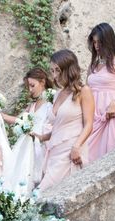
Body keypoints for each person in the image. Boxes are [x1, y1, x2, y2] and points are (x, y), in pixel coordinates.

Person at [34, 49, 94, 190]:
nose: (54, 76)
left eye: (57, 70)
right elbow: (58, 127)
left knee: (43, 192)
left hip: (71, 150)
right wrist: (42, 137)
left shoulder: (83, 91)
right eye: (52, 71)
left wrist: (76, 147)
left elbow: (89, 124)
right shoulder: (57, 94)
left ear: (68, 69)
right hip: (54, 151)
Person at [86, 22, 115, 162]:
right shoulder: (93, 65)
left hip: (111, 113)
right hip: (93, 115)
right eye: (94, 42)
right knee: (89, 157)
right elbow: (86, 90)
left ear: (108, 40)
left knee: (112, 156)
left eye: (99, 42)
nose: (96, 46)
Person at [2, 67, 54, 191]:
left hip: (43, 145)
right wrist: (0, 115)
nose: (30, 90)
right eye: (28, 87)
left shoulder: (51, 103)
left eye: (32, 85)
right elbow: (19, 120)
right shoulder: (32, 105)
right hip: (29, 147)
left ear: (42, 82)